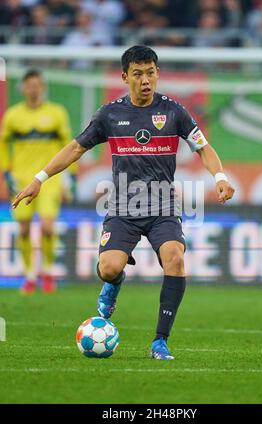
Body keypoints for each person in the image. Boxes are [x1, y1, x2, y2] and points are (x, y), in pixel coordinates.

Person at [12, 46, 234, 359]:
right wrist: (39, 178)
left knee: (175, 259)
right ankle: (114, 283)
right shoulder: (110, 114)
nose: (146, 80)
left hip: (163, 206)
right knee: (107, 268)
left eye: (151, 72)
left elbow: (204, 148)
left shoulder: (173, 111)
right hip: (123, 208)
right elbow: (75, 149)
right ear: (124, 77)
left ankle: (160, 341)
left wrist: (220, 177)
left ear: (158, 74)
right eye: (139, 73)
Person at [0, 69, 76, 294]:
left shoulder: (56, 113)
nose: (33, 89)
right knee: (23, 230)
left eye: (37, 85)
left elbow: (71, 146)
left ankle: (49, 272)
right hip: (21, 179)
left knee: (47, 226)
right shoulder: (13, 116)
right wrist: (6, 173)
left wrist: (70, 176)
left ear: (43, 87)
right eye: (29, 85)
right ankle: (30, 276)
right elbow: (3, 145)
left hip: (49, 179)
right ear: (23, 88)